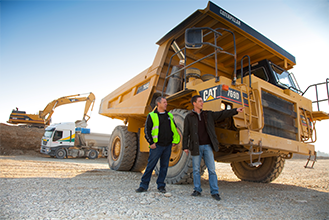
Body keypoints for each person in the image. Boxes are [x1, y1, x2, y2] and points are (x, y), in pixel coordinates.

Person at [183, 95, 244, 201]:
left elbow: (221, 114)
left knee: (212, 170)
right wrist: (185, 147)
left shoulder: (208, 114)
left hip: (207, 146)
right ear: (194, 103)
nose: (202, 103)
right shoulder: (189, 117)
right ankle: (197, 190)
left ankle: (215, 192)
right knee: (196, 170)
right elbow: (186, 133)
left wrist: (235, 111)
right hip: (196, 147)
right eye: (200, 101)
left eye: (202, 101)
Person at [136, 96, 180, 193]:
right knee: (151, 166)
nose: (166, 104)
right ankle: (143, 186)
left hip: (167, 146)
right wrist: (151, 143)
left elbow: (174, 128)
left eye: (166, 102)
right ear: (158, 104)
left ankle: (161, 186)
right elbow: (147, 131)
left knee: (164, 167)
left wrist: (175, 140)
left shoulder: (169, 115)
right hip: (157, 146)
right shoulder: (151, 115)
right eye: (164, 102)